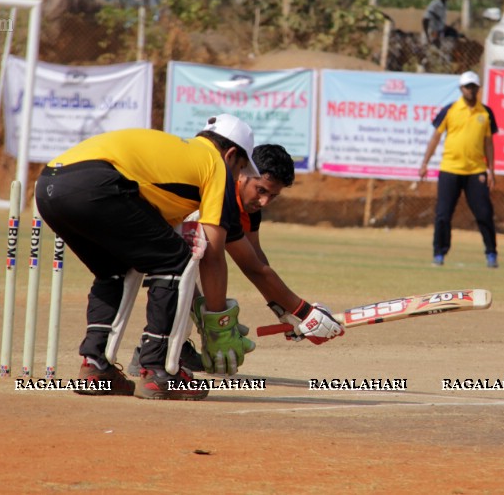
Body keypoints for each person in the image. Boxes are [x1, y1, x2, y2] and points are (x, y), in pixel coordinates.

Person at [34, 115, 260, 401]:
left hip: (47, 185)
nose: (238, 175)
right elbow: (213, 253)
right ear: (230, 154)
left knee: (112, 269)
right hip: (97, 182)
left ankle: (95, 367)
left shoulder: (178, 153)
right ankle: (157, 371)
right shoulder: (216, 165)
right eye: (240, 166)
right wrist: (218, 324)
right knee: (176, 261)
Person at [126, 143, 344, 376]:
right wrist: (304, 312)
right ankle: (154, 352)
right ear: (243, 173)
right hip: (134, 226)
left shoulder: (249, 207)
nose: (264, 202)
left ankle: (173, 347)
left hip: (156, 241)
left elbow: (256, 260)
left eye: (273, 196)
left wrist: (285, 312)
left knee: (194, 266)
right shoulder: (220, 191)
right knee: (192, 263)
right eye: (261, 190)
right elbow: (252, 267)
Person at [417, 70, 499, 268]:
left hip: (475, 171)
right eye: (467, 87)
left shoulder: (485, 112)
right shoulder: (450, 110)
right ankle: (439, 253)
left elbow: (489, 142)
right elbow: (436, 137)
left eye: (473, 87)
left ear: (478, 88)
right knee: (443, 214)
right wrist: (425, 163)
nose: (470, 90)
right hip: (450, 169)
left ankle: (491, 253)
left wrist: (491, 169)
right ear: (461, 89)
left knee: (484, 213)